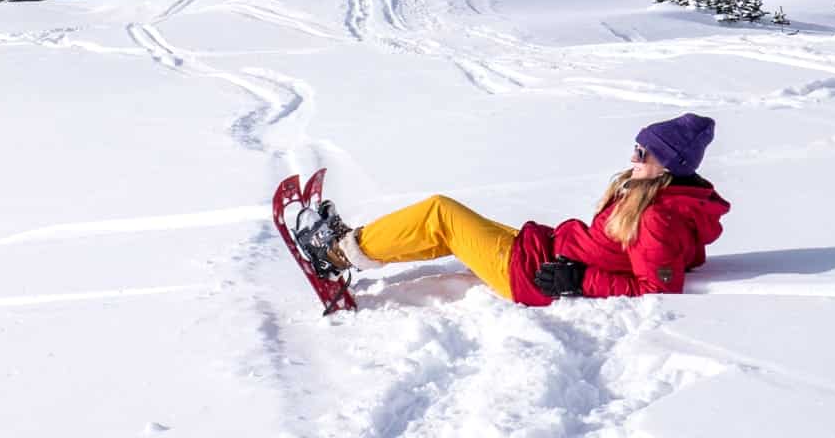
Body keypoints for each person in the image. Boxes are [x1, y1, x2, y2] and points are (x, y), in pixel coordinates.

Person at [296, 113, 730, 305]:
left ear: (669, 166)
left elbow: (657, 288)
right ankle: (360, 247)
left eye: (643, 154)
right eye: (636, 148)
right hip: (543, 250)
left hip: (531, 275)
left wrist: (579, 280)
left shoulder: (658, 216)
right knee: (443, 227)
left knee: (439, 213)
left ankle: (336, 252)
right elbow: (679, 259)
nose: (633, 158)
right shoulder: (667, 200)